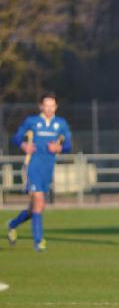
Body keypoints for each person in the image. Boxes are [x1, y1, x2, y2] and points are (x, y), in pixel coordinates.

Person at [7, 93, 73, 252]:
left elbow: (69, 145)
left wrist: (59, 148)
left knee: (35, 208)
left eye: (52, 105)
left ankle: (12, 224)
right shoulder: (32, 122)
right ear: (41, 106)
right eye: (46, 105)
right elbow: (16, 137)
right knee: (39, 202)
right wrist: (23, 145)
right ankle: (39, 242)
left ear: (56, 107)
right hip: (32, 166)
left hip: (47, 169)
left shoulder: (61, 124)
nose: (49, 108)